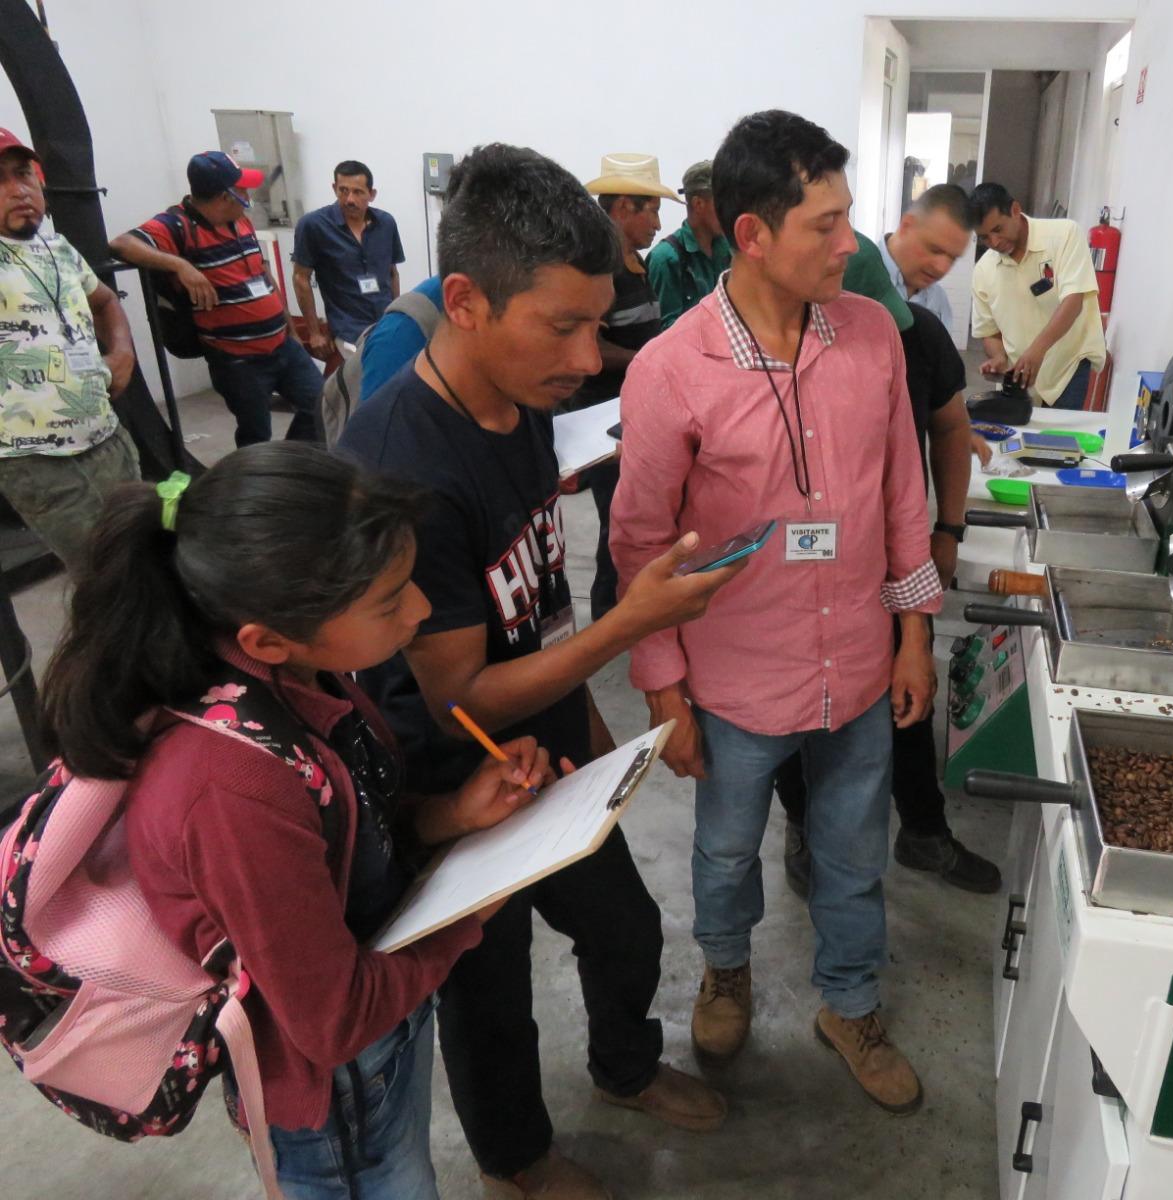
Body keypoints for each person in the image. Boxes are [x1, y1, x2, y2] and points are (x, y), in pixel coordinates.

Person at [341, 143, 740, 1200]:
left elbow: (537, 599)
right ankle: (515, 1159)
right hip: (452, 780)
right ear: (464, 301)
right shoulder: (404, 468)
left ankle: (622, 1067)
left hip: (545, 743)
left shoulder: (517, 409)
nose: (584, 355)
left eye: (594, 322)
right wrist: (632, 628)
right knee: (489, 987)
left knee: (623, 925)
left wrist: (592, 740)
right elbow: (456, 695)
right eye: (559, 325)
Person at [39, 443, 563, 1199]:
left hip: (384, 1013)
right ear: (266, 639)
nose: (420, 610)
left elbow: (344, 836)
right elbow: (334, 1023)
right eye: (390, 601)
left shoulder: (307, 674)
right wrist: (476, 908)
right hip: (336, 1100)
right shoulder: (231, 789)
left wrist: (451, 816)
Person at [609, 110, 940, 1115]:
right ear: (753, 234)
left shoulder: (872, 335)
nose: (850, 245)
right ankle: (725, 972)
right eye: (825, 226)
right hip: (736, 678)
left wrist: (912, 632)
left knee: (850, 854)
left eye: (850, 220)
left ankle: (849, 1003)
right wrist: (664, 689)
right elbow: (638, 546)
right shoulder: (671, 368)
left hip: (855, 661)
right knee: (721, 852)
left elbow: (900, 496)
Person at [775, 294, 1000, 895]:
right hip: (794, 581)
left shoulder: (913, 332)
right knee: (789, 710)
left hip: (886, 560)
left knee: (904, 701)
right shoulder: (776, 343)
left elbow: (944, 434)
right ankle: (802, 823)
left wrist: (946, 531)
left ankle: (923, 831)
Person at [110, 151, 323, 447]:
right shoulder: (177, 225)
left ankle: (287, 463)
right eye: (243, 189)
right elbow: (121, 245)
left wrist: (290, 330)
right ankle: (256, 481)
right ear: (225, 196)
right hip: (239, 361)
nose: (248, 194)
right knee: (256, 435)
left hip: (282, 345)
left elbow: (264, 277)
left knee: (323, 405)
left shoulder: (242, 221)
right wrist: (180, 265)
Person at [0, 127, 139, 575]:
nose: (18, 189)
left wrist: (121, 352)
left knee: (144, 554)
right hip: (38, 461)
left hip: (106, 436)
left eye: (23, 173)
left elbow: (105, 301)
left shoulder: (57, 248)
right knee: (105, 579)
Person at [572, 153, 677, 622]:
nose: (657, 222)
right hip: (602, 421)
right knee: (618, 520)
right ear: (619, 210)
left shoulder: (634, 264)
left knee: (632, 515)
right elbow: (589, 344)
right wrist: (645, 361)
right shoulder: (600, 271)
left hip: (629, 413)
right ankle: (609, 617)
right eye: (649, 209)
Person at [968, 181, 1105, 410]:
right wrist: (999, 358)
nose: (994, 243)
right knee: (1018, 441)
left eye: (998, 230)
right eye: (984, 237)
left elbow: (1073, 302)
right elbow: (989, 332)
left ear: (1014, 210)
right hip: (1021, 375)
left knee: (1061, 440)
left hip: (1067, 367)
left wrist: (1036, 351)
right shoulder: (983, 271)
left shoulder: (1064, 235)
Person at [292, 159, 406, 358]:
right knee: (364, 385)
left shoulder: (386, 223)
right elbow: (300, 278)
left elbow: (392, 274)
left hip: (385, 325)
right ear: (334, 188)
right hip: (348, 332)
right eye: (343, 191)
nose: (349, 199)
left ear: (372, 194)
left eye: (358, 192)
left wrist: (397, 317)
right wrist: (314, 332)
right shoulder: (314, 225)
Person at [646, 160, 732, 329]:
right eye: (723, 203)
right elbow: (665, 332)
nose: (730, 211)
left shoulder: (731, 252)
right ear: (698, 204)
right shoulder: (665, 259)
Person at [879, 182, 972, 331]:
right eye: (934, 250)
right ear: (906, 226)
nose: (942, 268)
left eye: (952, 258)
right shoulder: (854, 275)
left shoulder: (939, 301)